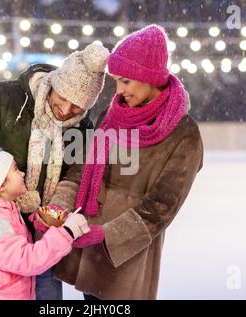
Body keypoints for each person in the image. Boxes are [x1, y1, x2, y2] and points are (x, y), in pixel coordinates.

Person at [43, 24, 204, 299]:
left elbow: (163, 205)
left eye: (125, 81)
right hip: (88, 240)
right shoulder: (113, 113)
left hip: (126, 252)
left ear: (149, 77)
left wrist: (108, 235)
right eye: (116, 80)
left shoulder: (183, 133)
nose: (118, 90)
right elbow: (82, 168)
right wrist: (58, 206)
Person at [0, 43, 110, 300]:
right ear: (54, 83)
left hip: (43, 242)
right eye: (63, 98)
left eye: (77, 106)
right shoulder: (5, 99)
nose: (66, 110)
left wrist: (54, 212)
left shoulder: (81, 127)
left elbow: (75, 175)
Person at [0, 149, 90, 299]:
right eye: (15, 169)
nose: (22, 173)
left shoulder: (3, 211)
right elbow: (26, 260)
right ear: (0, 186)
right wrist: (68, 232)